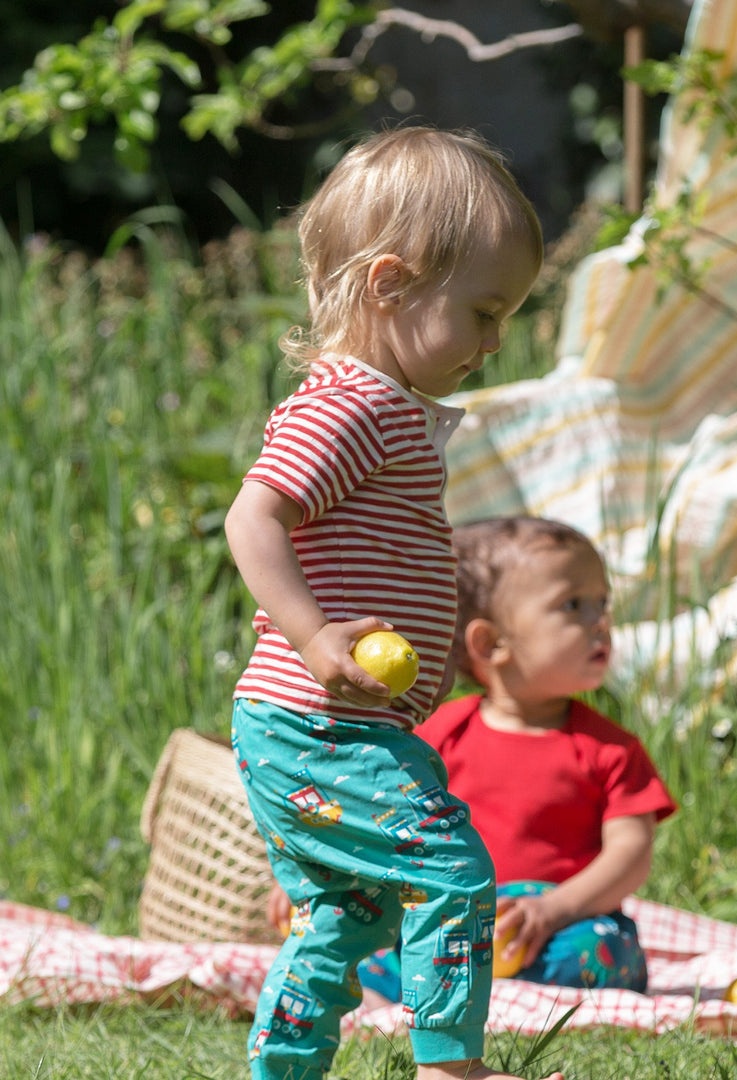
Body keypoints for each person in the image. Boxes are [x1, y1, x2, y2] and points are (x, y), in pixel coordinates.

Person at [224, 127, 553, 1080]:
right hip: (315, 723)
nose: (495, 340)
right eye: (486, 311)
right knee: (453, 868)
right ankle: (449, 1068)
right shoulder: (352, 406)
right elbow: (254, 520)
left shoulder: (383, 405)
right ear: (391, 284)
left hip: (325, 726)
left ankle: (282, 1067)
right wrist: (318, 635)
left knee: (351, 912)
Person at [325, 516, 677, 1002]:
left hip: (560, 920)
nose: (601, 622)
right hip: (448, 910)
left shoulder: (612, 748)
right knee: (362, 928)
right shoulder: (442, 732)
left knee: (599, 950)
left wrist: (553, 910)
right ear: (491, 644)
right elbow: (376, 811)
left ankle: (443, 994)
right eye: (573, 605)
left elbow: (631, 855)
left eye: (603, 603)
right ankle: (415, 986)